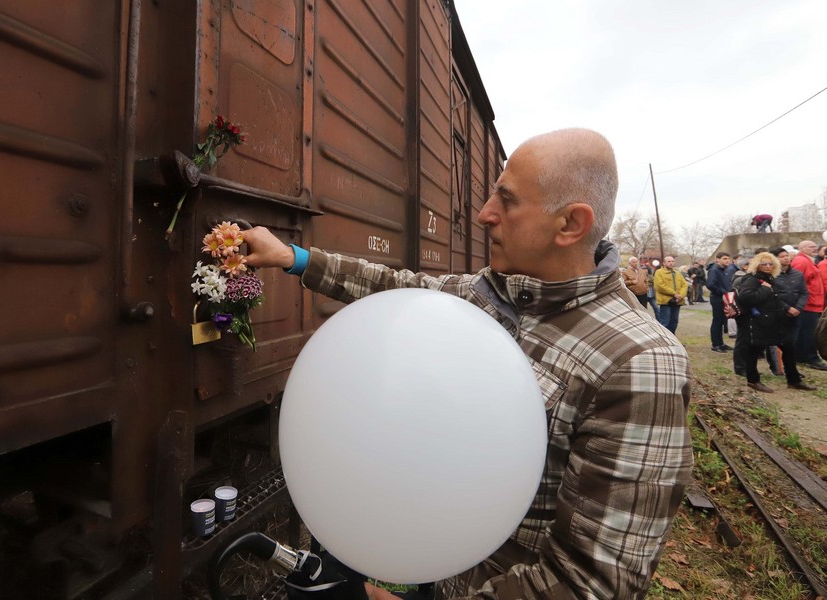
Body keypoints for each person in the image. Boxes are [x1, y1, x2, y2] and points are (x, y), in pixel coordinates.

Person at [242, 128, 693, 599]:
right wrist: (293, 258)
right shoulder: (485, 294)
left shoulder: (639, 363)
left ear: (571, 225)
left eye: (507, 200)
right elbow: (394, 289)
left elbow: (592, 585)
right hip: (434, 570)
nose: (484, 214)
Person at [770, 246, 815, 390]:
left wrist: (798, 308)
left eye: (787, 255)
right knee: (775, 345)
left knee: (790, 346)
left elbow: (804, 293)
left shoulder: (797, 274)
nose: (786, 258)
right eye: (782, 256)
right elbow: (772, 295)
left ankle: (793, 379)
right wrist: (787, 308)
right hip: (777, 316)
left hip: (795, 315)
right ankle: (750, 374)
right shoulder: (771, 276)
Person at [790, 240, 827, 370]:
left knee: (804, 331)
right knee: (809, 332)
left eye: (815, 246)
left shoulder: (807, 260)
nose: (815, 248)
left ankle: (801, 356)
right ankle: (811, 358)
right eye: (811, 247)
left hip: (812, 302)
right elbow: (796, 282)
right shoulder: (802, 261)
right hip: (808, 303)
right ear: (802, 248)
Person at [706, 252, 733, 353]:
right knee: (717, 322)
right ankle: (716, 344)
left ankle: (721, 343)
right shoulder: (714, 270)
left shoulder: (724, 270)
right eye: (725, 258)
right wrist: (722, 293)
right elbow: (710, 284)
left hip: (724, 299)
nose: (727, 261)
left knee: (722, 321)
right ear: (717, 259)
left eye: (728, 259)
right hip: (717, 299)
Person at [653, 255, 688, 333]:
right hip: (666, 302)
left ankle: (673, 341)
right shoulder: (659, 272)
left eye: (672, 261)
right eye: (669, 261)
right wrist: (674, 294)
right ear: (664, 263)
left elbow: (684, 284)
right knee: (665, 323)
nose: (671, 263)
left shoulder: (678, 273)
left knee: (674, 322)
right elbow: (659, 286)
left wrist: (681, 296)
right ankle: (665, 341)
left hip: (677, 301)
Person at [731, 258, 751, 376]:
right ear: (744, 266)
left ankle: (746, 365)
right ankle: (740, 367)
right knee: (742, 340)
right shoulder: (741, 279)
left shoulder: (747, 277)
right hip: (744, 312)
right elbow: (744, 297)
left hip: (748, 312)